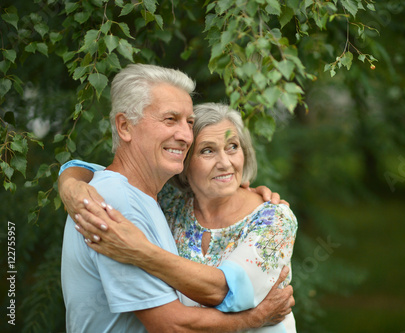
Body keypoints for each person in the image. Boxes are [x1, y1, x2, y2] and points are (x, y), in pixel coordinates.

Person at [59, 64, 294, 332]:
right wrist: (69, 184)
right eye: (170, 119)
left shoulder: (156, 200)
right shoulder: (125, 203)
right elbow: (172, 326)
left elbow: (222, 289)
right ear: (124, 126)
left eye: (189, 122)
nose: (183, 135)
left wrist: (68, 181)